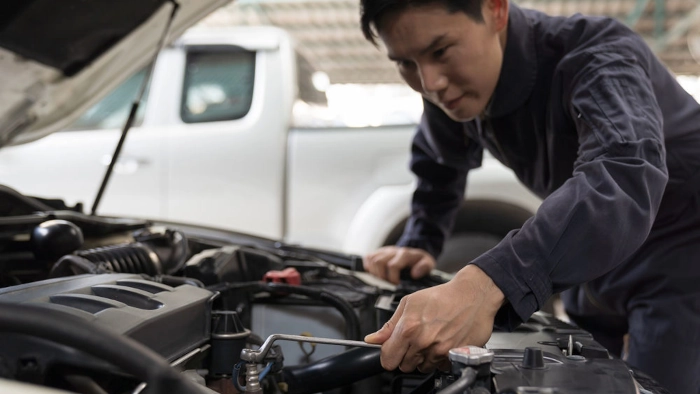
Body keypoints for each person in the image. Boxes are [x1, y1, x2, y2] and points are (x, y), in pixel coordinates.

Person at [358, 0, 700, 393]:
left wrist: (484, 285)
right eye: (406, 63)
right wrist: (422, 241)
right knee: (576, 377)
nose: (430, 82)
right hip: (590, 250)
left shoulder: (598, 57)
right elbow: (440, 159)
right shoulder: (449, 86)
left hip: (681, 253)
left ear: (495, 11)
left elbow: (623, 172)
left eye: (440, 51)